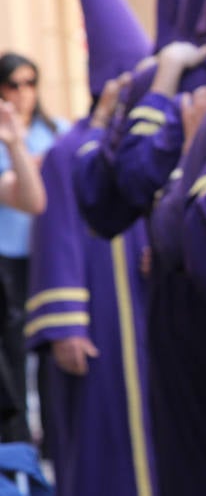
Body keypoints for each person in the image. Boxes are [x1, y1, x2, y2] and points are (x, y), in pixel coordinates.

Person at [27, 77, 154, 496]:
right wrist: (66, 325)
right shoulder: (68, 152)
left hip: (152, 310)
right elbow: (57, 233)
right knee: (104, 432)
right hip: (101, 316)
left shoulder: (153, 144)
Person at [0, 52, 60, 445]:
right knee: (12, 349)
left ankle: (55, 434)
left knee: (52, 345)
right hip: (7, 255)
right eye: (13, 84)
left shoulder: (55, 131)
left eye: (30, 83)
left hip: (48, 254)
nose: (23, 93)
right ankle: (19, 439)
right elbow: (23, 195)